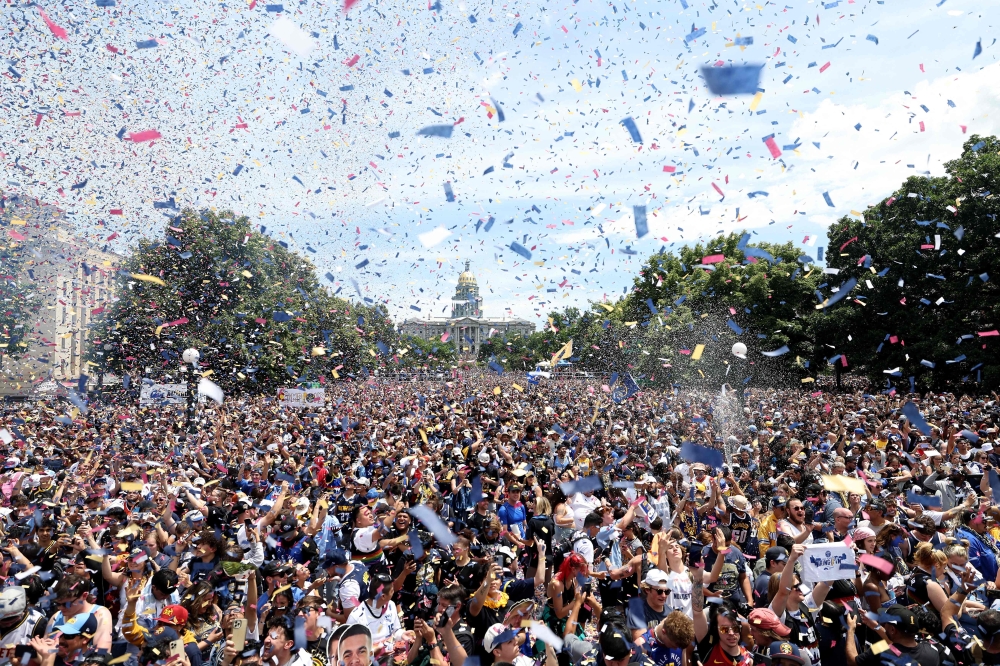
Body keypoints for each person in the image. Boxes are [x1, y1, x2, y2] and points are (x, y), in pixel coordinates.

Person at [845, 605, 940, 666]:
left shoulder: (881, 650)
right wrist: (874, 625)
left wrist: (850, 630)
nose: (883, 625)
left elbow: (853, 661)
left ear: (893, 630)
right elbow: (897, 647)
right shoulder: (933, 650)